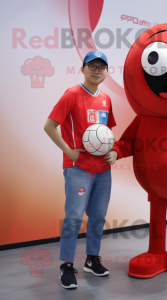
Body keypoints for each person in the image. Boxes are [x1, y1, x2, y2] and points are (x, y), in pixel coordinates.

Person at [44, 51, 118, 289]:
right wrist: (69, 151)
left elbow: (106, 133)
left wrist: (113, 151)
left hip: (103, 169)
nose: (97, 70)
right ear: (83, 68)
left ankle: (91, 259)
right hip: (78, 167)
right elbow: (49, 126)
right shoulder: (72, 94)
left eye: (102, 67)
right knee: (74, 218)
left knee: (98, 217)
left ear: (106, 72)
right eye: (92, 66)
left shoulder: (106, 98)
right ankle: (66, 265)